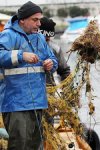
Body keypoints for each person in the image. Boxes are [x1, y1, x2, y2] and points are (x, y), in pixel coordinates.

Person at [0, 1, 58, 150]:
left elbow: (53, 59)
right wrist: (21, 55)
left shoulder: (39, 38)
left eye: (39, 19)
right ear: (22, 20)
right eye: (35, 19)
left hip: (38, 102)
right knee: (20, 145)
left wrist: (50, 64)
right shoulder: (8, 35)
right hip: (16, 103)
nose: (39, 24)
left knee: (36, 146)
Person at [39, 16, 70, 86]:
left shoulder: (55, 48)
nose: (48, 40)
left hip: (49, 90)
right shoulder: (26, 45)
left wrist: (67, 90)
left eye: (49, 38)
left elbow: (65, 71)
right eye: (45, 38)